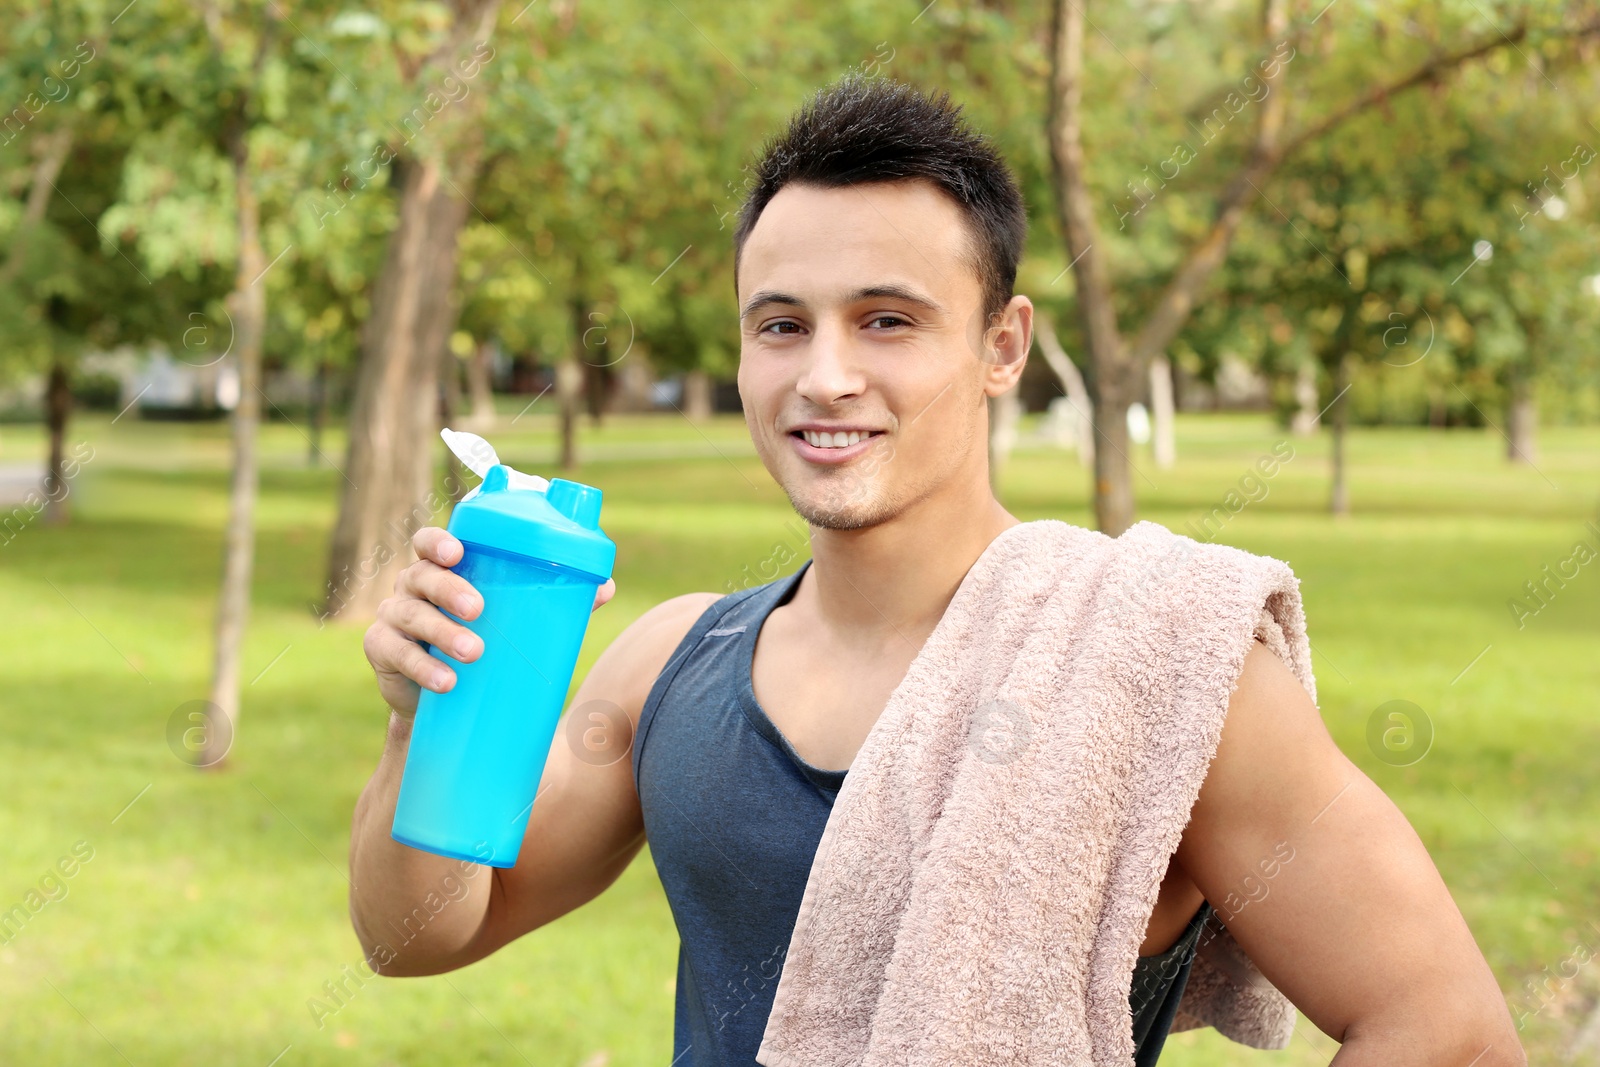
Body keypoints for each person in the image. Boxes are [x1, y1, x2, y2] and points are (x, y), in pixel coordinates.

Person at [349, 75, 1524, 1066]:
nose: (825, 375)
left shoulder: (1152, 661)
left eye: (887, 320)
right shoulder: (675, 660)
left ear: (1000, 344)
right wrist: (423, 723)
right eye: (780, 324)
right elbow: (424, 934)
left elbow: (1447, 1023)